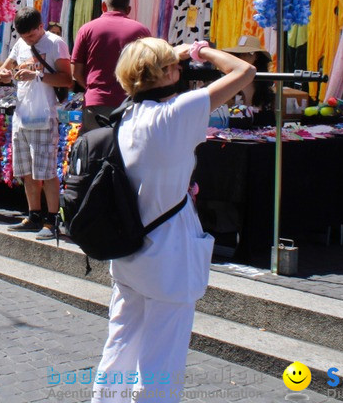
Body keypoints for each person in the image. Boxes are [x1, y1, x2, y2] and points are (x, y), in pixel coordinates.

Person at [90, 38, 253, 400]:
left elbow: (145, 81)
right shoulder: (178, 112)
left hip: (129, 251)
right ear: (164, 72)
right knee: (162, 359)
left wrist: (167, 58)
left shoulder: (126, 114)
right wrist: (200, 50)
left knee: (120, 343)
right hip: (168, 255)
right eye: (175, 67)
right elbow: (244, 71)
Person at [0, 8, 72, 239]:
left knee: (47, 170)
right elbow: (4, 67)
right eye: (24, 36)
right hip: (22, 116)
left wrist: (37, 76)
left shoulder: (55, 43)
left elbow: (67, 79)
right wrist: (3, 73)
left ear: (41, 27)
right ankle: (33, 214)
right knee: (27, 171)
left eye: (31, 35)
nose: (28, 40)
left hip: (45, 115)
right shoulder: (20, 44)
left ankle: (52, 219)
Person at [72, 0, 151, 133]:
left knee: (95, 151)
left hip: (96, 103)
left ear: (103, 6)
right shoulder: (141, 31)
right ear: (128, 9)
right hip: (130, 103)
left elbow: (76, 72)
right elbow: (149, 71)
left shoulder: (87, 29)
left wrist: (92, 88)